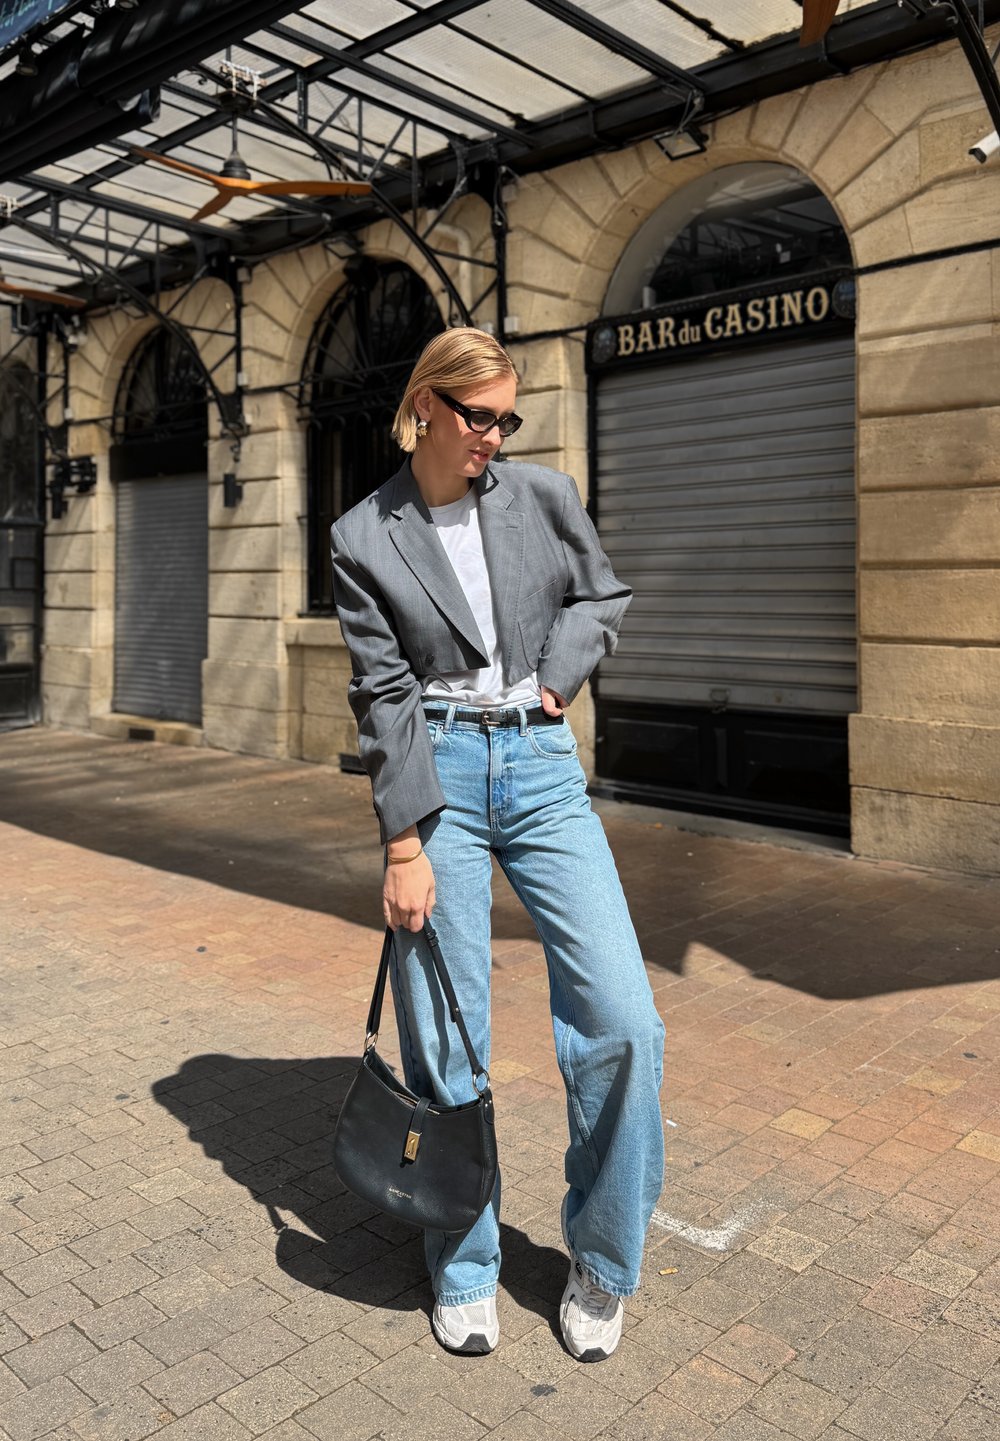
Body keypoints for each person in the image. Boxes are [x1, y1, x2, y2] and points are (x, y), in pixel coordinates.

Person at [330, 326, 665, 1360]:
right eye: (480, 416)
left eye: (506, 418)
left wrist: (556, 678)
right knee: (444, 1029)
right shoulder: (363, 534)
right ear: (425, 406)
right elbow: (381, 692)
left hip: (540, 762)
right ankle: (463, 1261)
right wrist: (401, 845)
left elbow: (600, 595)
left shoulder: (543, 496)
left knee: (623, 1019)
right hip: (442, 775)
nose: (494, 436)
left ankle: (602, 1263)